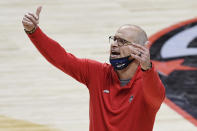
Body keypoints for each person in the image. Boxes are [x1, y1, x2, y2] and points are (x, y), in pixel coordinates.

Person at [22, 6, 165, 131]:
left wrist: (147, 67)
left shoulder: (148, 86)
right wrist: (34, 31)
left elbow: (155, 94)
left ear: (141, 48)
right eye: (114, 39)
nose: (114, 44)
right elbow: (62, 58)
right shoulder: (97, 73)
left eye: (122, 42)